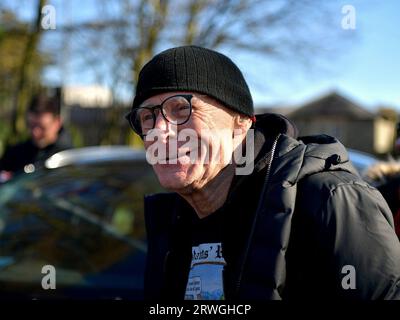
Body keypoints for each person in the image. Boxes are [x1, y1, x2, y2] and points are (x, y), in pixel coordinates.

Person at [125, 46, 400, 300]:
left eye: (182, 109)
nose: (160, 130)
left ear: (241, 122)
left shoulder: (329, 200)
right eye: (148, 116)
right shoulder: (172, 222)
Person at [0, 93, 72, 179]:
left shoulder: (68, 159)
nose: (35, 132)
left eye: (42, 127)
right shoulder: (14, 154)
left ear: (57, 123)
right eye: (31, 126)